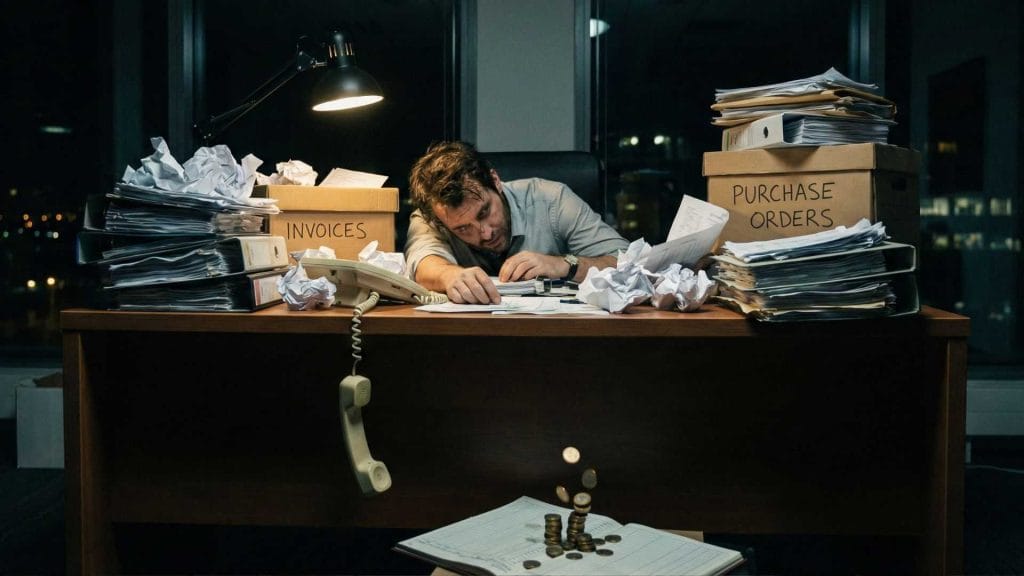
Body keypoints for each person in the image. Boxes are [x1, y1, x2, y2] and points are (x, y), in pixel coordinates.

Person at [405, 141, 629, 304]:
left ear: (495, 181)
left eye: (484, 212)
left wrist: (564, 265)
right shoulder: (433, 216)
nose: (485, 233)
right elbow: (423, 263)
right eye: (463, 228)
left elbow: (631, 265)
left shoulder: (553, 199)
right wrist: (449, 276)